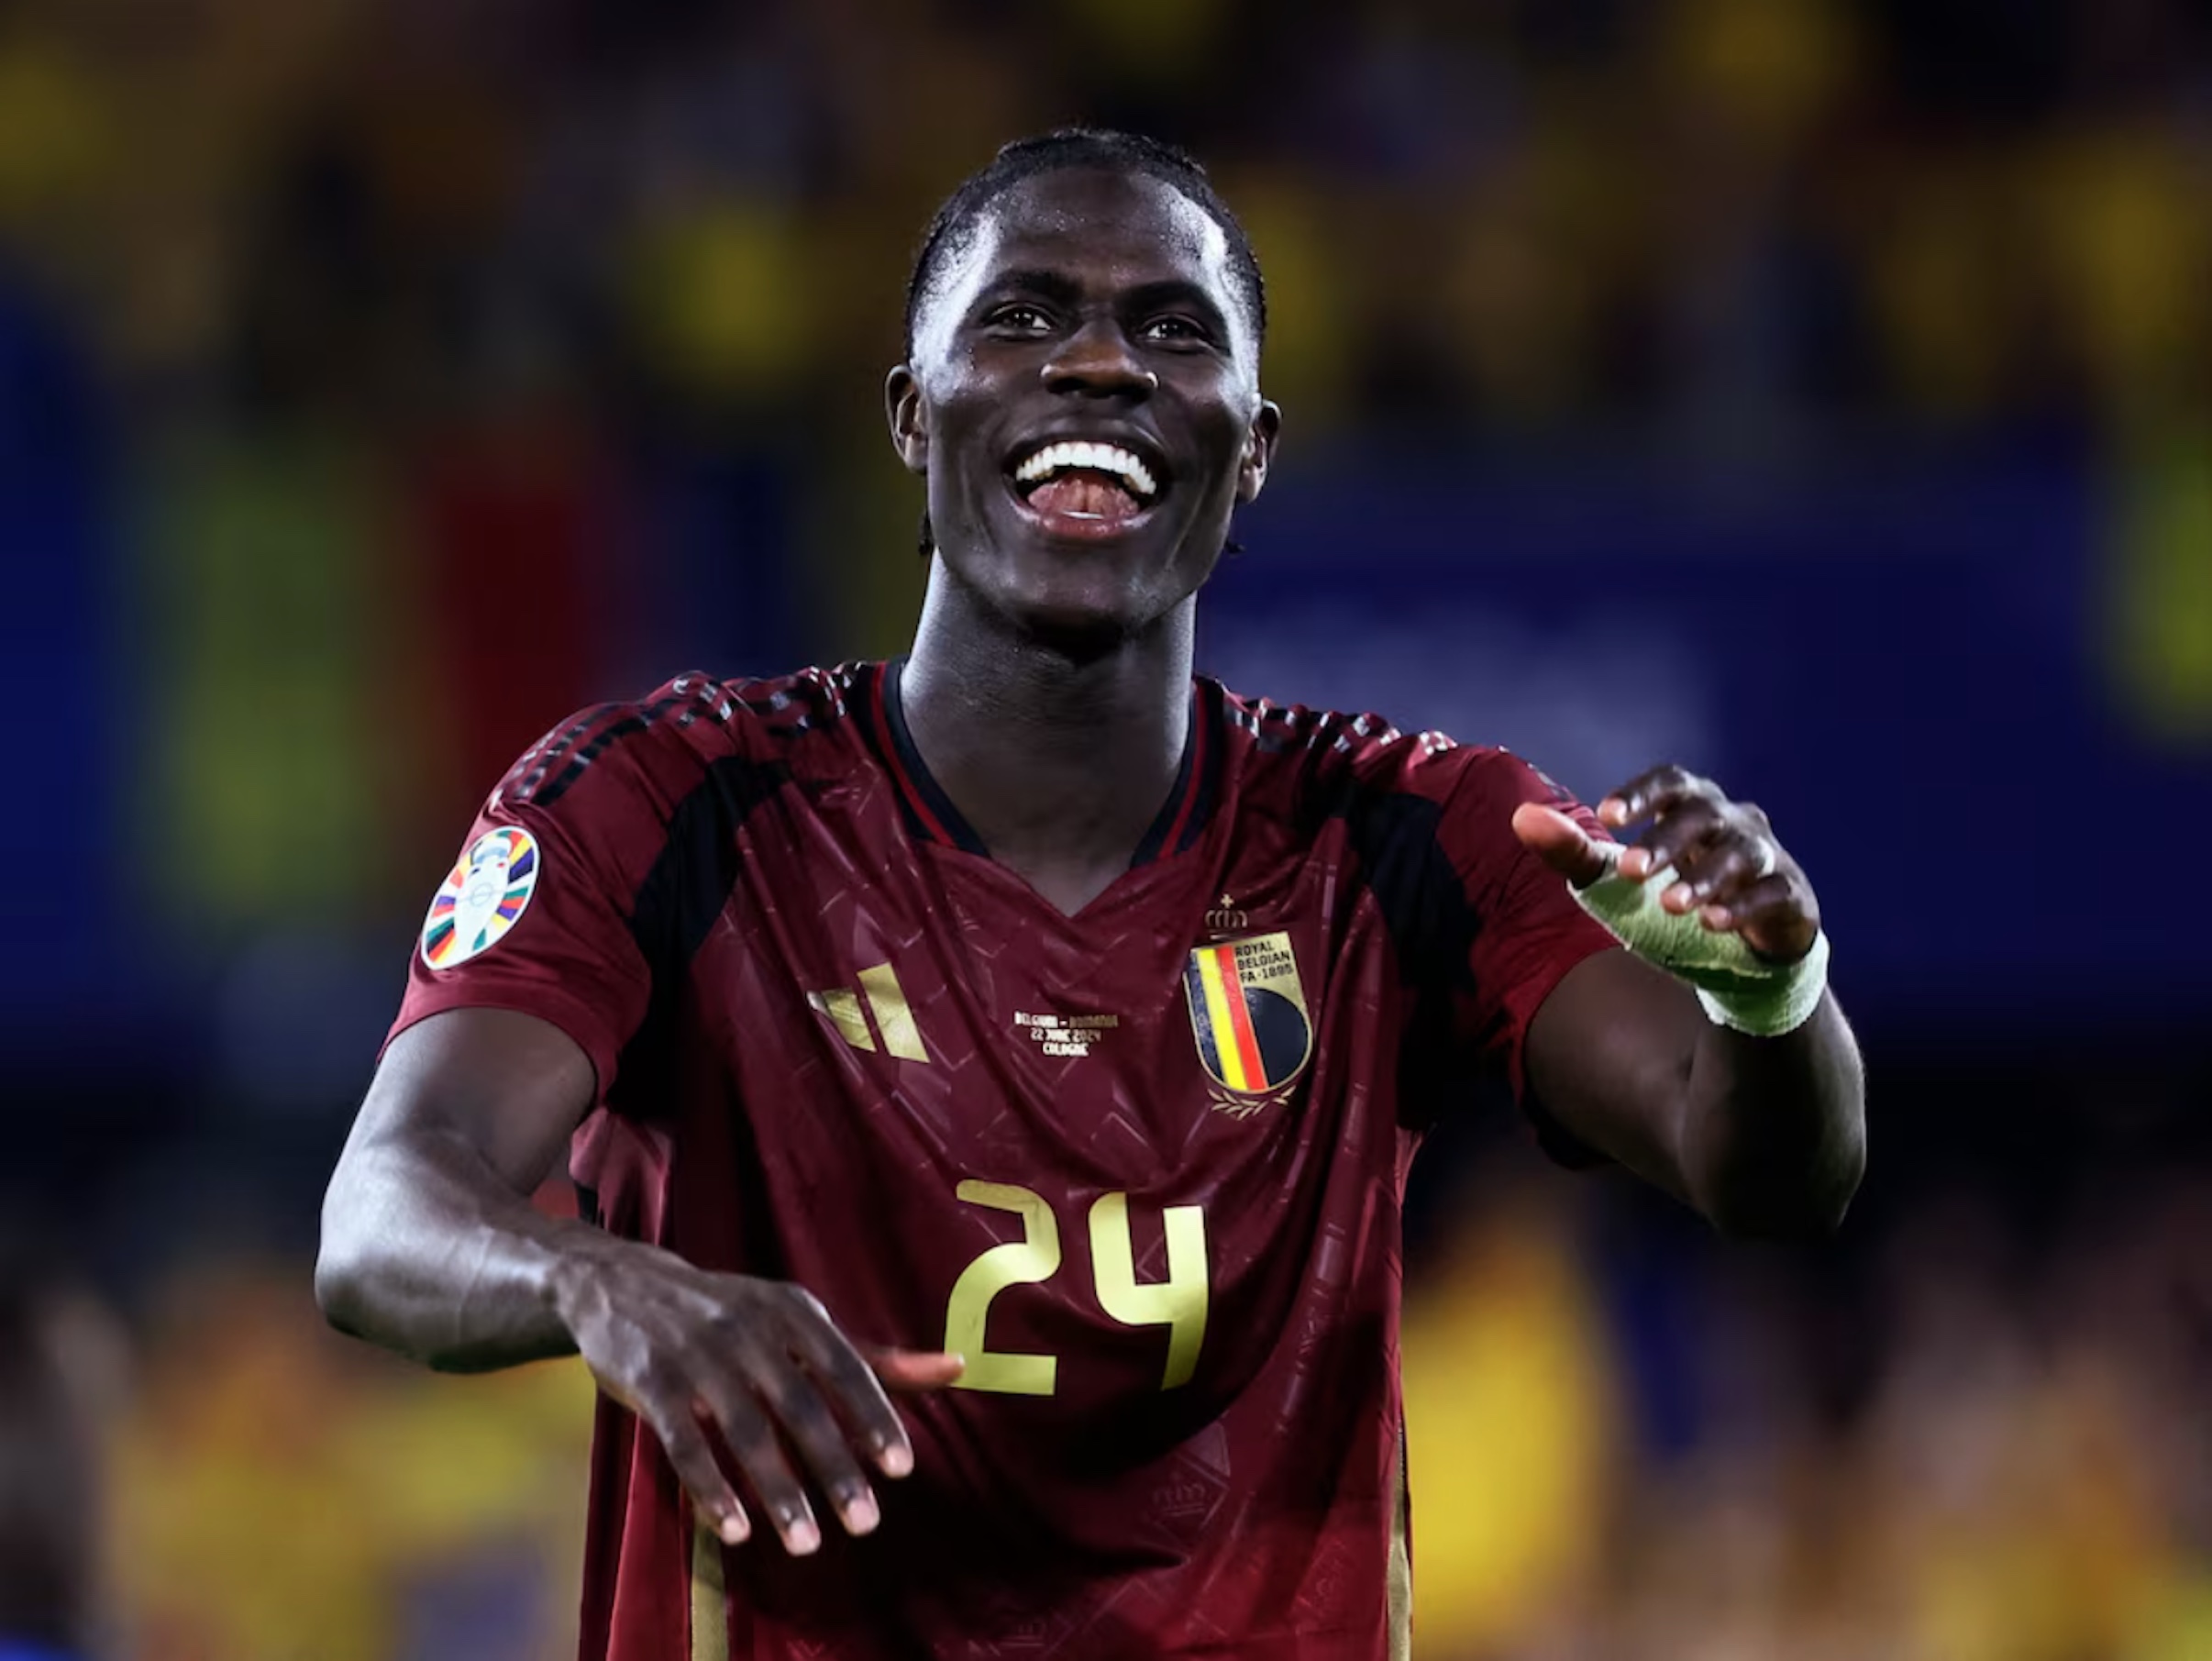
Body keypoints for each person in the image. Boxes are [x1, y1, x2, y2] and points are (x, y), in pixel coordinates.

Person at [317, 128, 1865, 1660]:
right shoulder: (663, 802)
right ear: (914, 418)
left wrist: (1767, 995)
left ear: (1250, 446)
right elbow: (382, 1214)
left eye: (1171, 329)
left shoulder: (1402, 836)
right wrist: (607, 1285)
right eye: (1025, 315)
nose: (1101, 364)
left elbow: (1770, 1171)